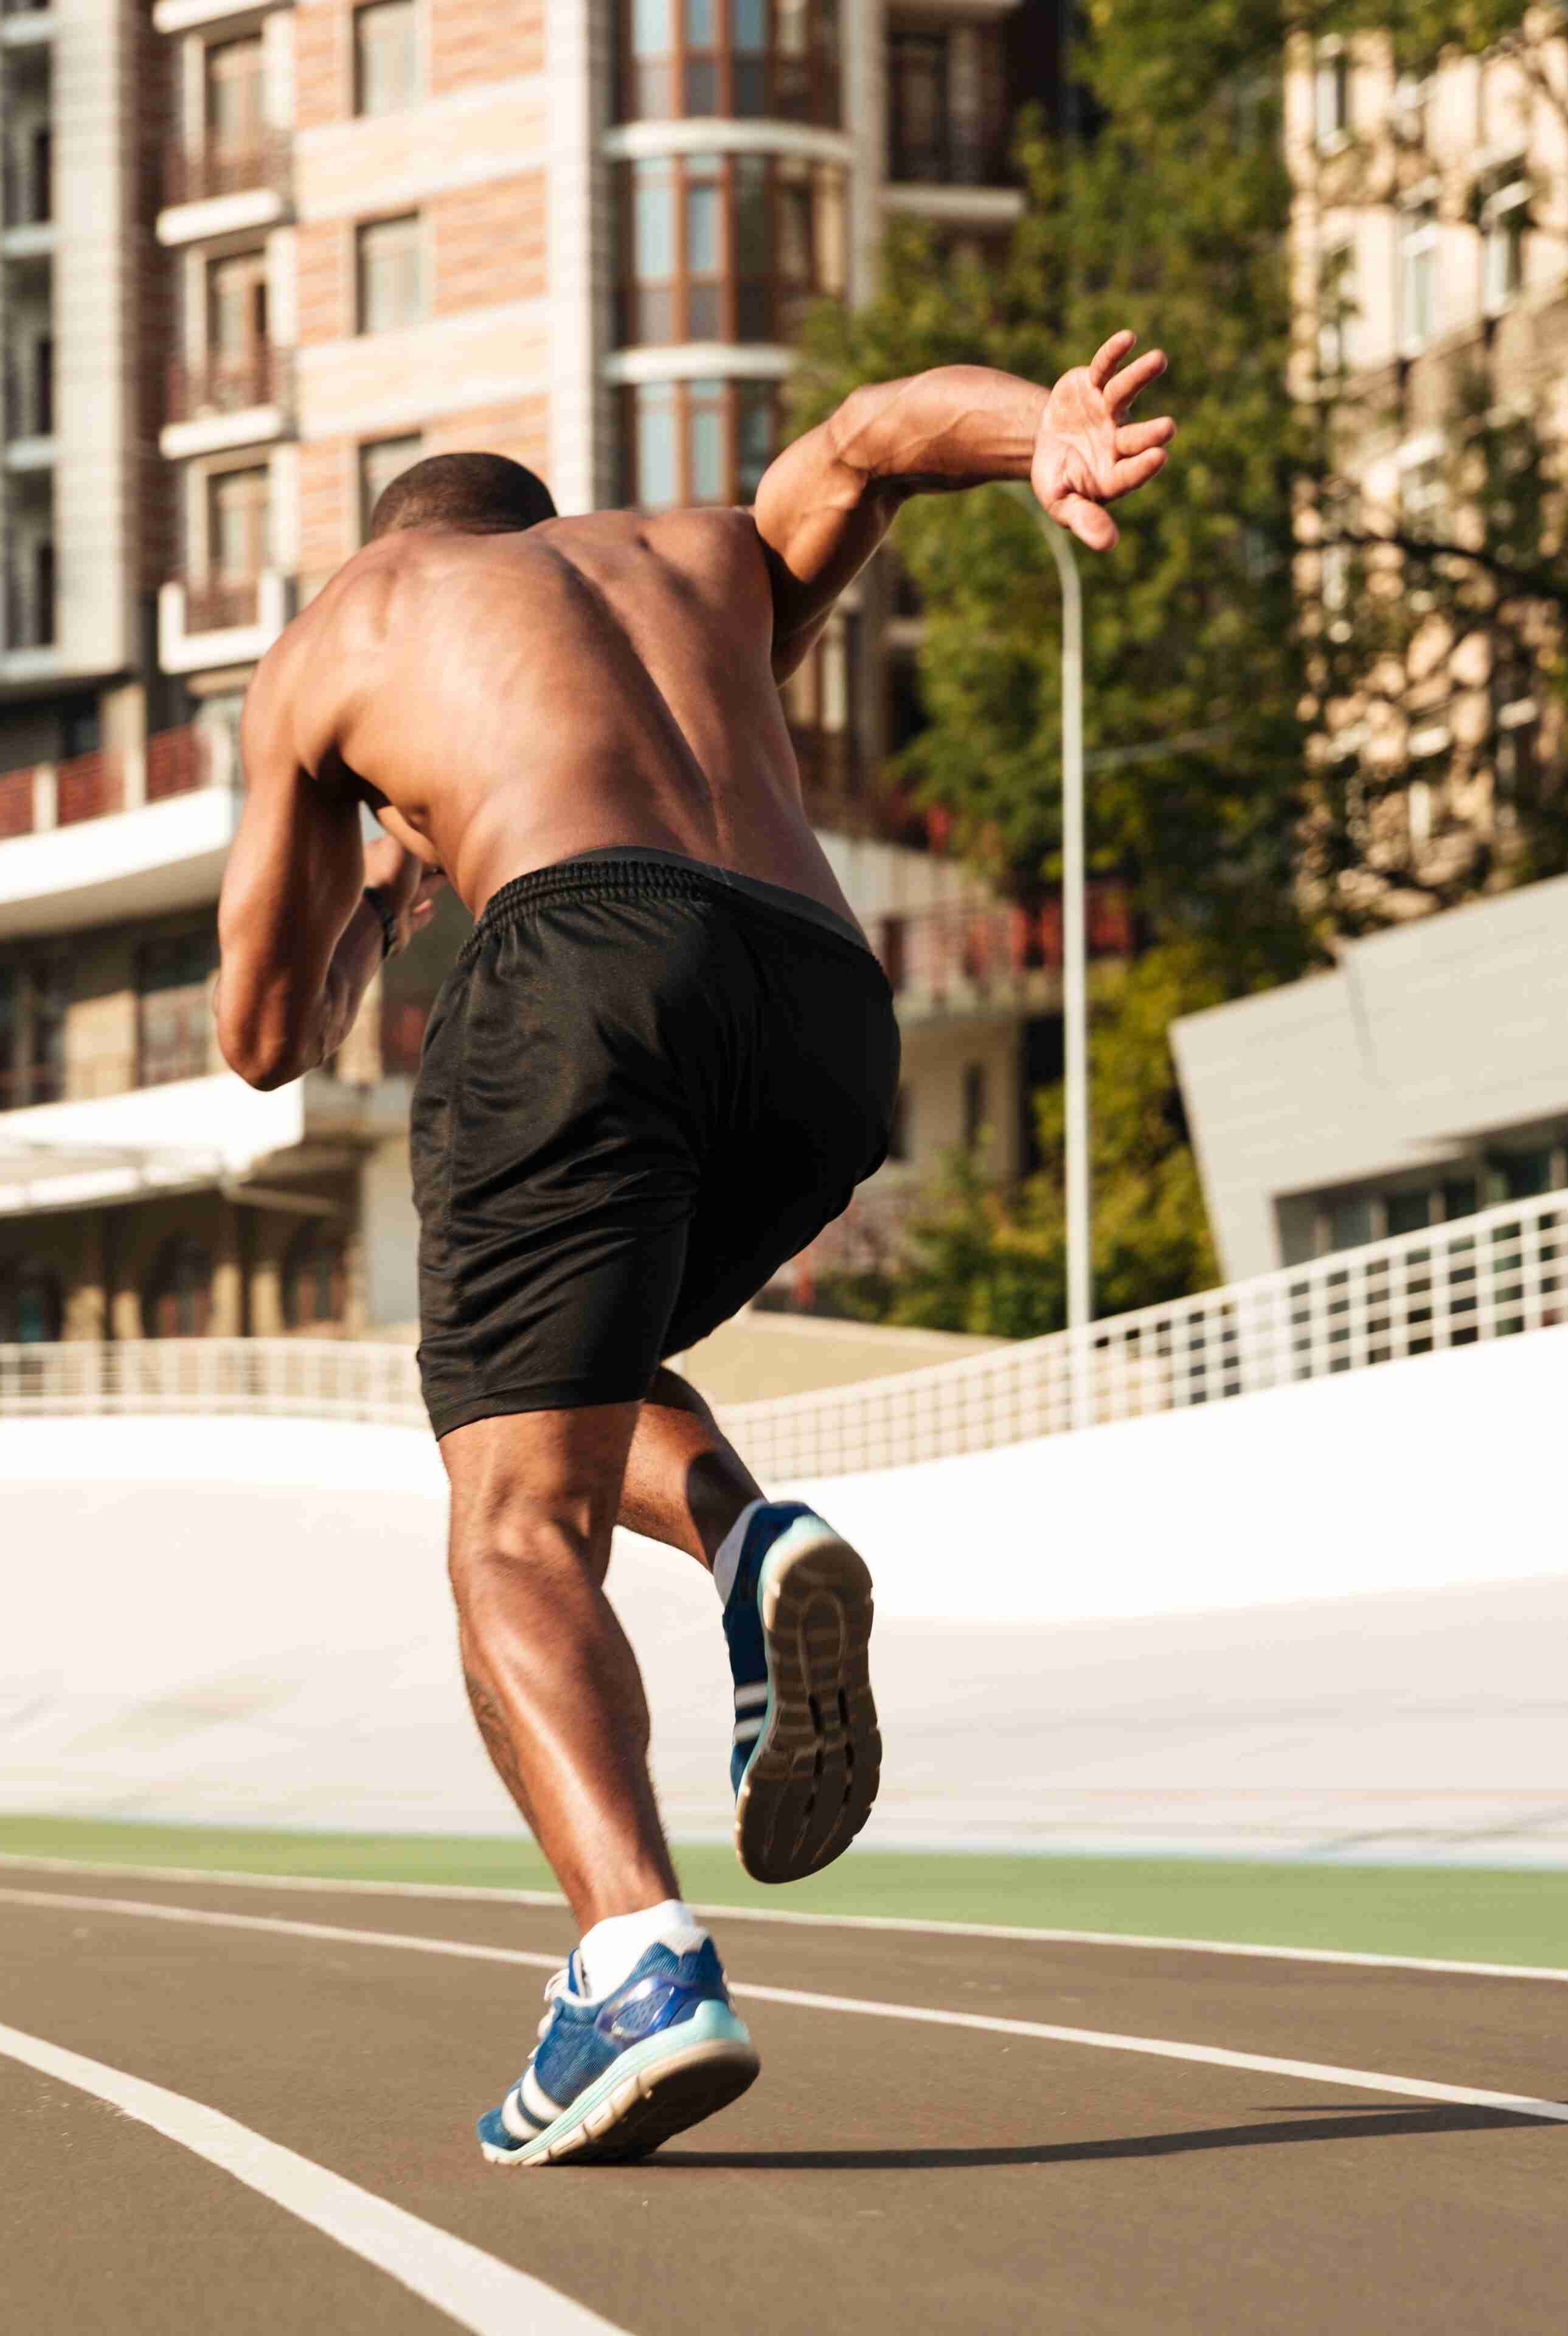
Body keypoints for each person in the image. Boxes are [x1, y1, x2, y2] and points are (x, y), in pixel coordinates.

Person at [212, 335, 1177, 2165]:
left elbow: (266, 1040)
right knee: (557, 1383)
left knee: (509, 1516)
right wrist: (1036, 428)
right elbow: (878, 443)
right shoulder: (693, 564)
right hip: (821, 1019)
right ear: (555, 542)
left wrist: (381, 876)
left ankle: (636, 1959)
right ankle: (753, 1538)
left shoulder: (355, 623)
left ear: (401, 554)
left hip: (583, 968)